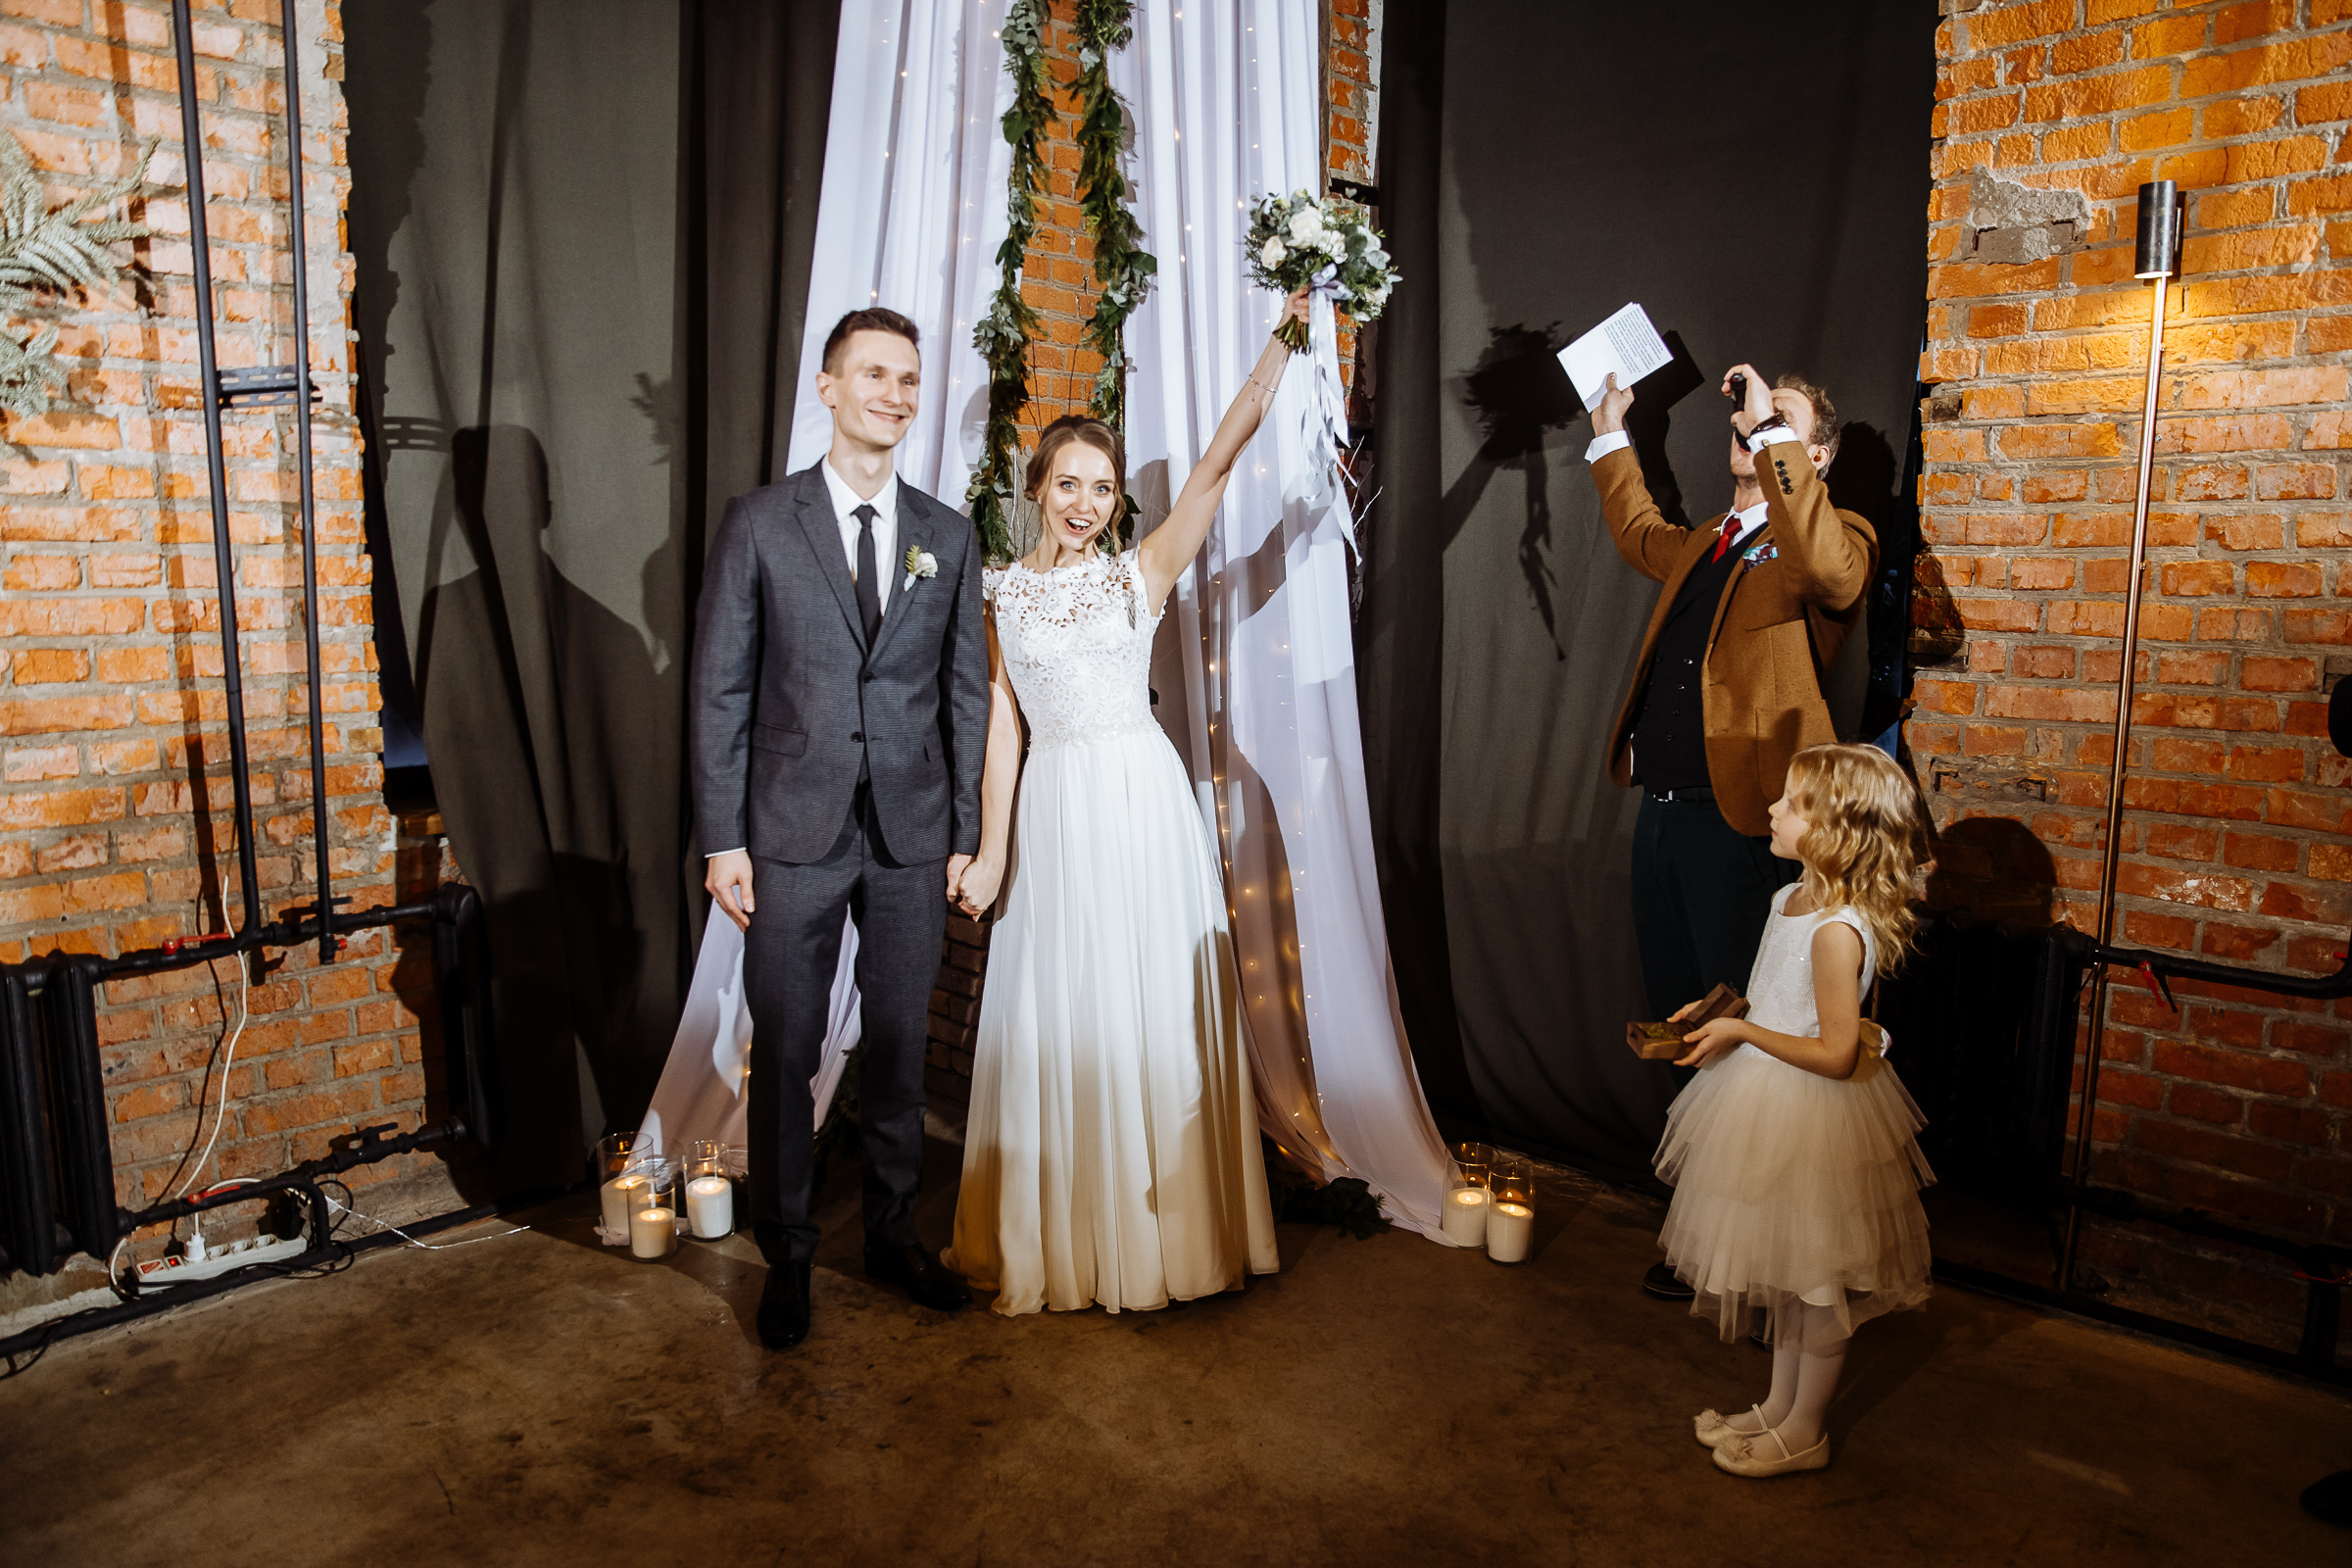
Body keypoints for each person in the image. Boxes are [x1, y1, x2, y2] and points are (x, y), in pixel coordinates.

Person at [940, 291, 1311, 1315]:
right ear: (1039, 486)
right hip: (1055, 818)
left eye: (1102, 487)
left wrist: (1281, 347)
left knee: (1146, 1017)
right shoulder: (1003, 593)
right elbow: (1003, 734)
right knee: (1064, 1020)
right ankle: (1065, 1243)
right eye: (1069, 483)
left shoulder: (1139, 576)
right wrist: (988, 855)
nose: (1086, 501)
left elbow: (1216, 468)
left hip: (1142, 811)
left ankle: (1167, 1242)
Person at [691, 307, 988, 1351]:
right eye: (875, 374)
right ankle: (788, 1254)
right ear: (827, 386)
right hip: (789, 834)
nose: (896, 395)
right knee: (788, 1047)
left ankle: (899, 1235)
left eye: (910, 379)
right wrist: (724, 839)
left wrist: (964, 831)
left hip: (909, 836)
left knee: (902, 1044)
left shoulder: (947, 535)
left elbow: (964, 697)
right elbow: (721, 690)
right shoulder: (763, 523)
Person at [1586, 364, 1878, 1303]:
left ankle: (1759, 1264)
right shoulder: (1710, 540)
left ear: (1813, 454)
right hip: (1663, 820)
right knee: (1681, 1030)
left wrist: (1772, 436)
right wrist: (1610, 432)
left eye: (1782, 422)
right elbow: (1638, 532)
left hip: (1746, 831)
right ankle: (1697, 1236)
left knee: (1745, 1041)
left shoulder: (1830, 542)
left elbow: (1829, 566)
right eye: (1750, 418)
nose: (1752, 427)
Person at [1655, 742, 1934, 1478]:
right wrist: (1721, 1013)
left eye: (1791, 802)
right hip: (1762, 1093)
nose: (1772, 810)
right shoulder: (1789, 899)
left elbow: (1839, 1052)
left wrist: (1744, 1032)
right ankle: (1778, 1407)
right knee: (1789, 1275)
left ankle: (1806, 1429)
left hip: (1814, 1115)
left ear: (1837, 826)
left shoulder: (1836, 928)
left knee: (1819, 1287)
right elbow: (1775, 1001)